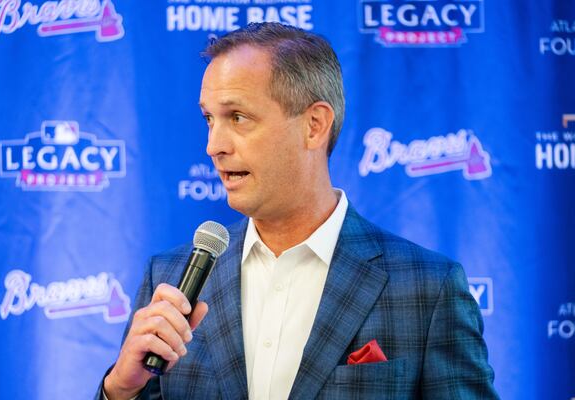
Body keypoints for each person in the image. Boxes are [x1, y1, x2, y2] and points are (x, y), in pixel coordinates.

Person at [97, 22, 499, 400]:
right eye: (209, 119)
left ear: (314, 124)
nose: (214, 146)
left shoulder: (427, 288)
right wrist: (120, 389)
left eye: (238, 117)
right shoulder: (169, 280)